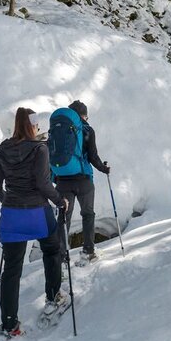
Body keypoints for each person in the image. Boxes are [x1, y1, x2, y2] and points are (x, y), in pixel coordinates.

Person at [0, 107, 70, 340]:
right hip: (37, 212)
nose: (38, 128)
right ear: (32, 126)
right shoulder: (39, 149)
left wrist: (11, 201)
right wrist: (60, 200)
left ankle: (9, 324)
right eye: (36, 125)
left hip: (12, 215)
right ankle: (54, 296)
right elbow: (43, 184)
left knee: (12, 269)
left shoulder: (2, 149)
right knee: (52, 250)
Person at [53, 100, 110, 263]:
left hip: (63, 181)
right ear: (83, 116)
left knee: (64, 218)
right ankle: (88, 251)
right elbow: (92, 156)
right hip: (83, 180)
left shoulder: (59, 130)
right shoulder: (87, 130)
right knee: (88, 214)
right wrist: (104, 169)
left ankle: (62, 257)